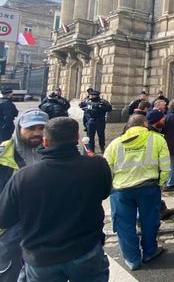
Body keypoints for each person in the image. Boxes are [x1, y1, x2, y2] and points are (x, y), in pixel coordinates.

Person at [0, 117, 112, 282]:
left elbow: (4, 218)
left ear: (45, 141)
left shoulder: (24, 176)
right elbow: (104, 193)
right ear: (77, 137)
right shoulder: (97, 165)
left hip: (41, 256)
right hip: (85, 249)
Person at [103, 114, 170, 270]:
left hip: (121, 190)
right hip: (148, 187)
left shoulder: (115, 143)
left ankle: (132, 259)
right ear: (145, 124)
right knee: (149, 221)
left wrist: (111, 186)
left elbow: (106, 169)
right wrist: (160, 183)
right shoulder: (157, 139)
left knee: (124, 225)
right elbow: (166, 166)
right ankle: (149, 251)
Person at [0, 109, 48, 282]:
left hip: (42, 221)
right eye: (31, 128)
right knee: (8, 270)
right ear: (19, 128)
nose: (37, 133)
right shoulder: (3, 152)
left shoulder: (51, 151)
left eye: (42, 128)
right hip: (10, 225)